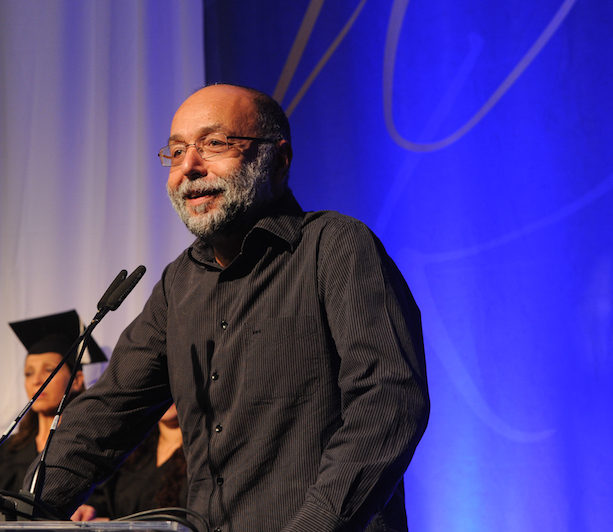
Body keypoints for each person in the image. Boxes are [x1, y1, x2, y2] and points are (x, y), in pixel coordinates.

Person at [26, 84, 429, 532]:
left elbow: (388, 403)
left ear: (278, 159)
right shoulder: (179, 284)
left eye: (214, 143)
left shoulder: (335, 247)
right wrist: (17, 515)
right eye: (177, 151)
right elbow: (105, 415)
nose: (189, 167)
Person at [0, 310, 107, 492]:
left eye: (49, 370)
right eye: (29, 373)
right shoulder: (4, 453)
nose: (36, 380)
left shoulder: (95, 448)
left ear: (76, 380)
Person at [76, 403, 187, 521]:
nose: (171, 394)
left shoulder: (197, 457)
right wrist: (89, 509)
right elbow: (104, 498)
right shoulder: (133, 444)